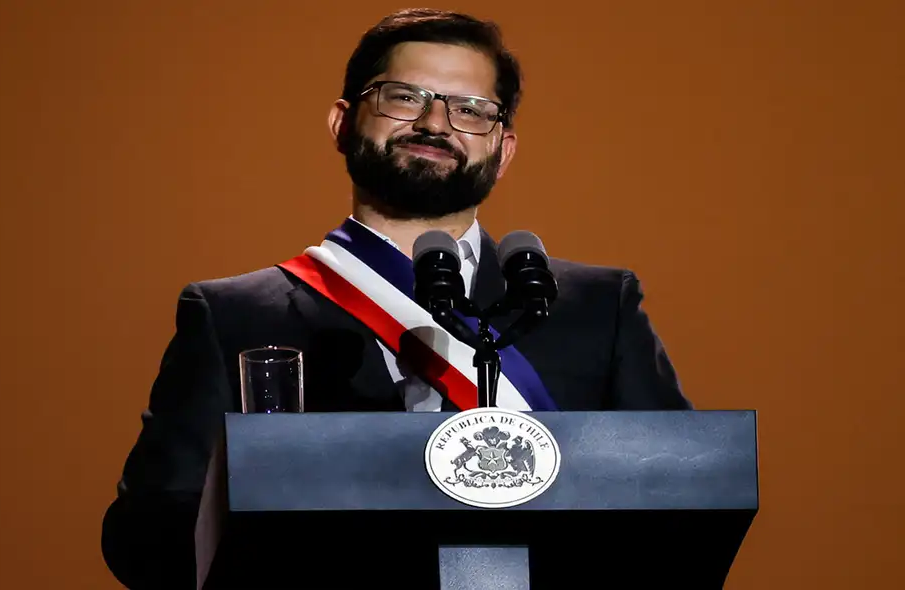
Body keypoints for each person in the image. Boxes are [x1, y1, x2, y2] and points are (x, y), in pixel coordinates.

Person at [101, 8, 691, 589]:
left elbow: (683, 502)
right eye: (405, 97)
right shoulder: (232, 315)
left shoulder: (595, 306)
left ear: (503, 149)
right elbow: (148, 535)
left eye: (470, 109)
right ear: (342, 123)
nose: (436, 122)